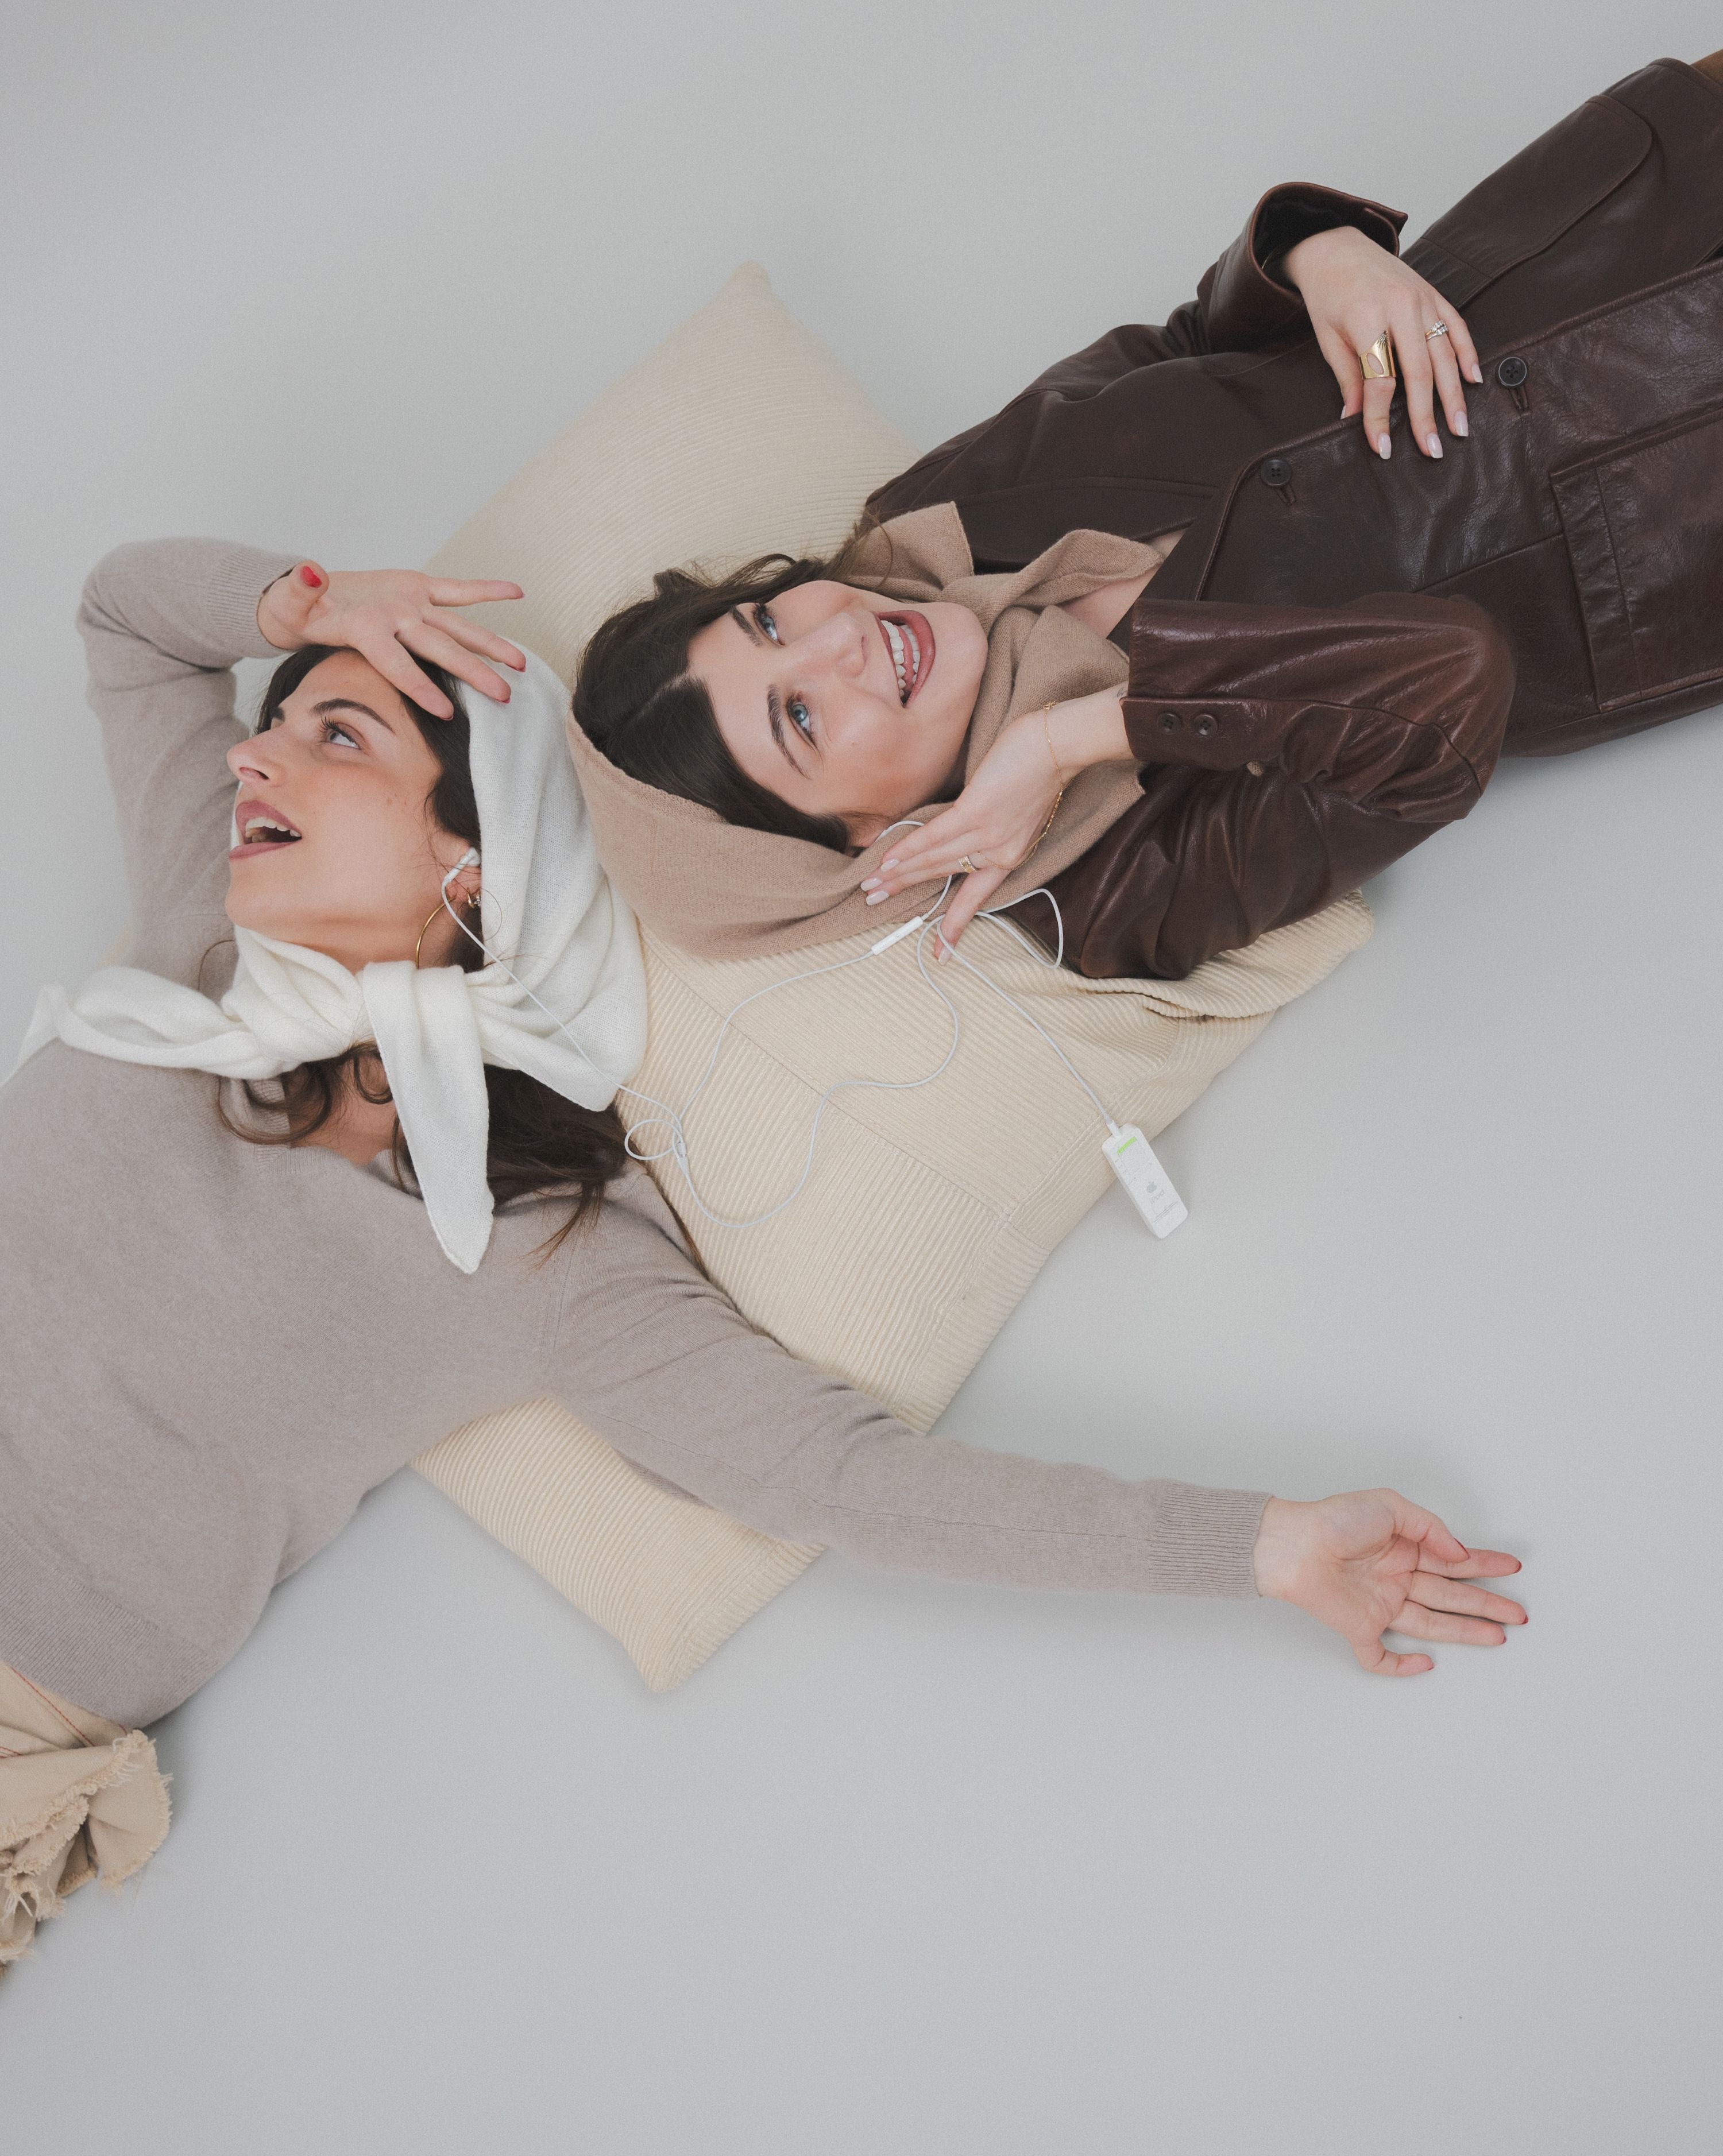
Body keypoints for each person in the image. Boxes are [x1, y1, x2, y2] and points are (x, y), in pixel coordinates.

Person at [1, 544, 1524, 1968]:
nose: (249, 758)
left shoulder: (540, 1248)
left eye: (335, 739)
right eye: (279, 734)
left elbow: (849, 1480)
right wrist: (308, 604)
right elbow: (132, 613)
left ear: (479, 862)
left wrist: (1265, 1547)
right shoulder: (194, 945)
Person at [569, 49, 1723, 971]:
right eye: (803, 721)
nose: (840, 640)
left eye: (769, 621)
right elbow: (1450, 685)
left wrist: (1315, 253)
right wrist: (1083, 732)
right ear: (860, 848)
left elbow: (1182, 347)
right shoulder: (1112, 891)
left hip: (1619, 223)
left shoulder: (931, 514)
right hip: (1683, 513)